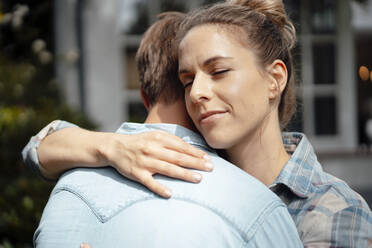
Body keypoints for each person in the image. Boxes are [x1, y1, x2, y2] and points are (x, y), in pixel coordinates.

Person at [23, 0, 372, 247]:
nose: (198, 93)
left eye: (218, 72)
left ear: (274, 79)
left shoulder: (335, 210)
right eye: (187, 80)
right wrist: (112, 145)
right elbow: (39, 147)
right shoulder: (183, 173)